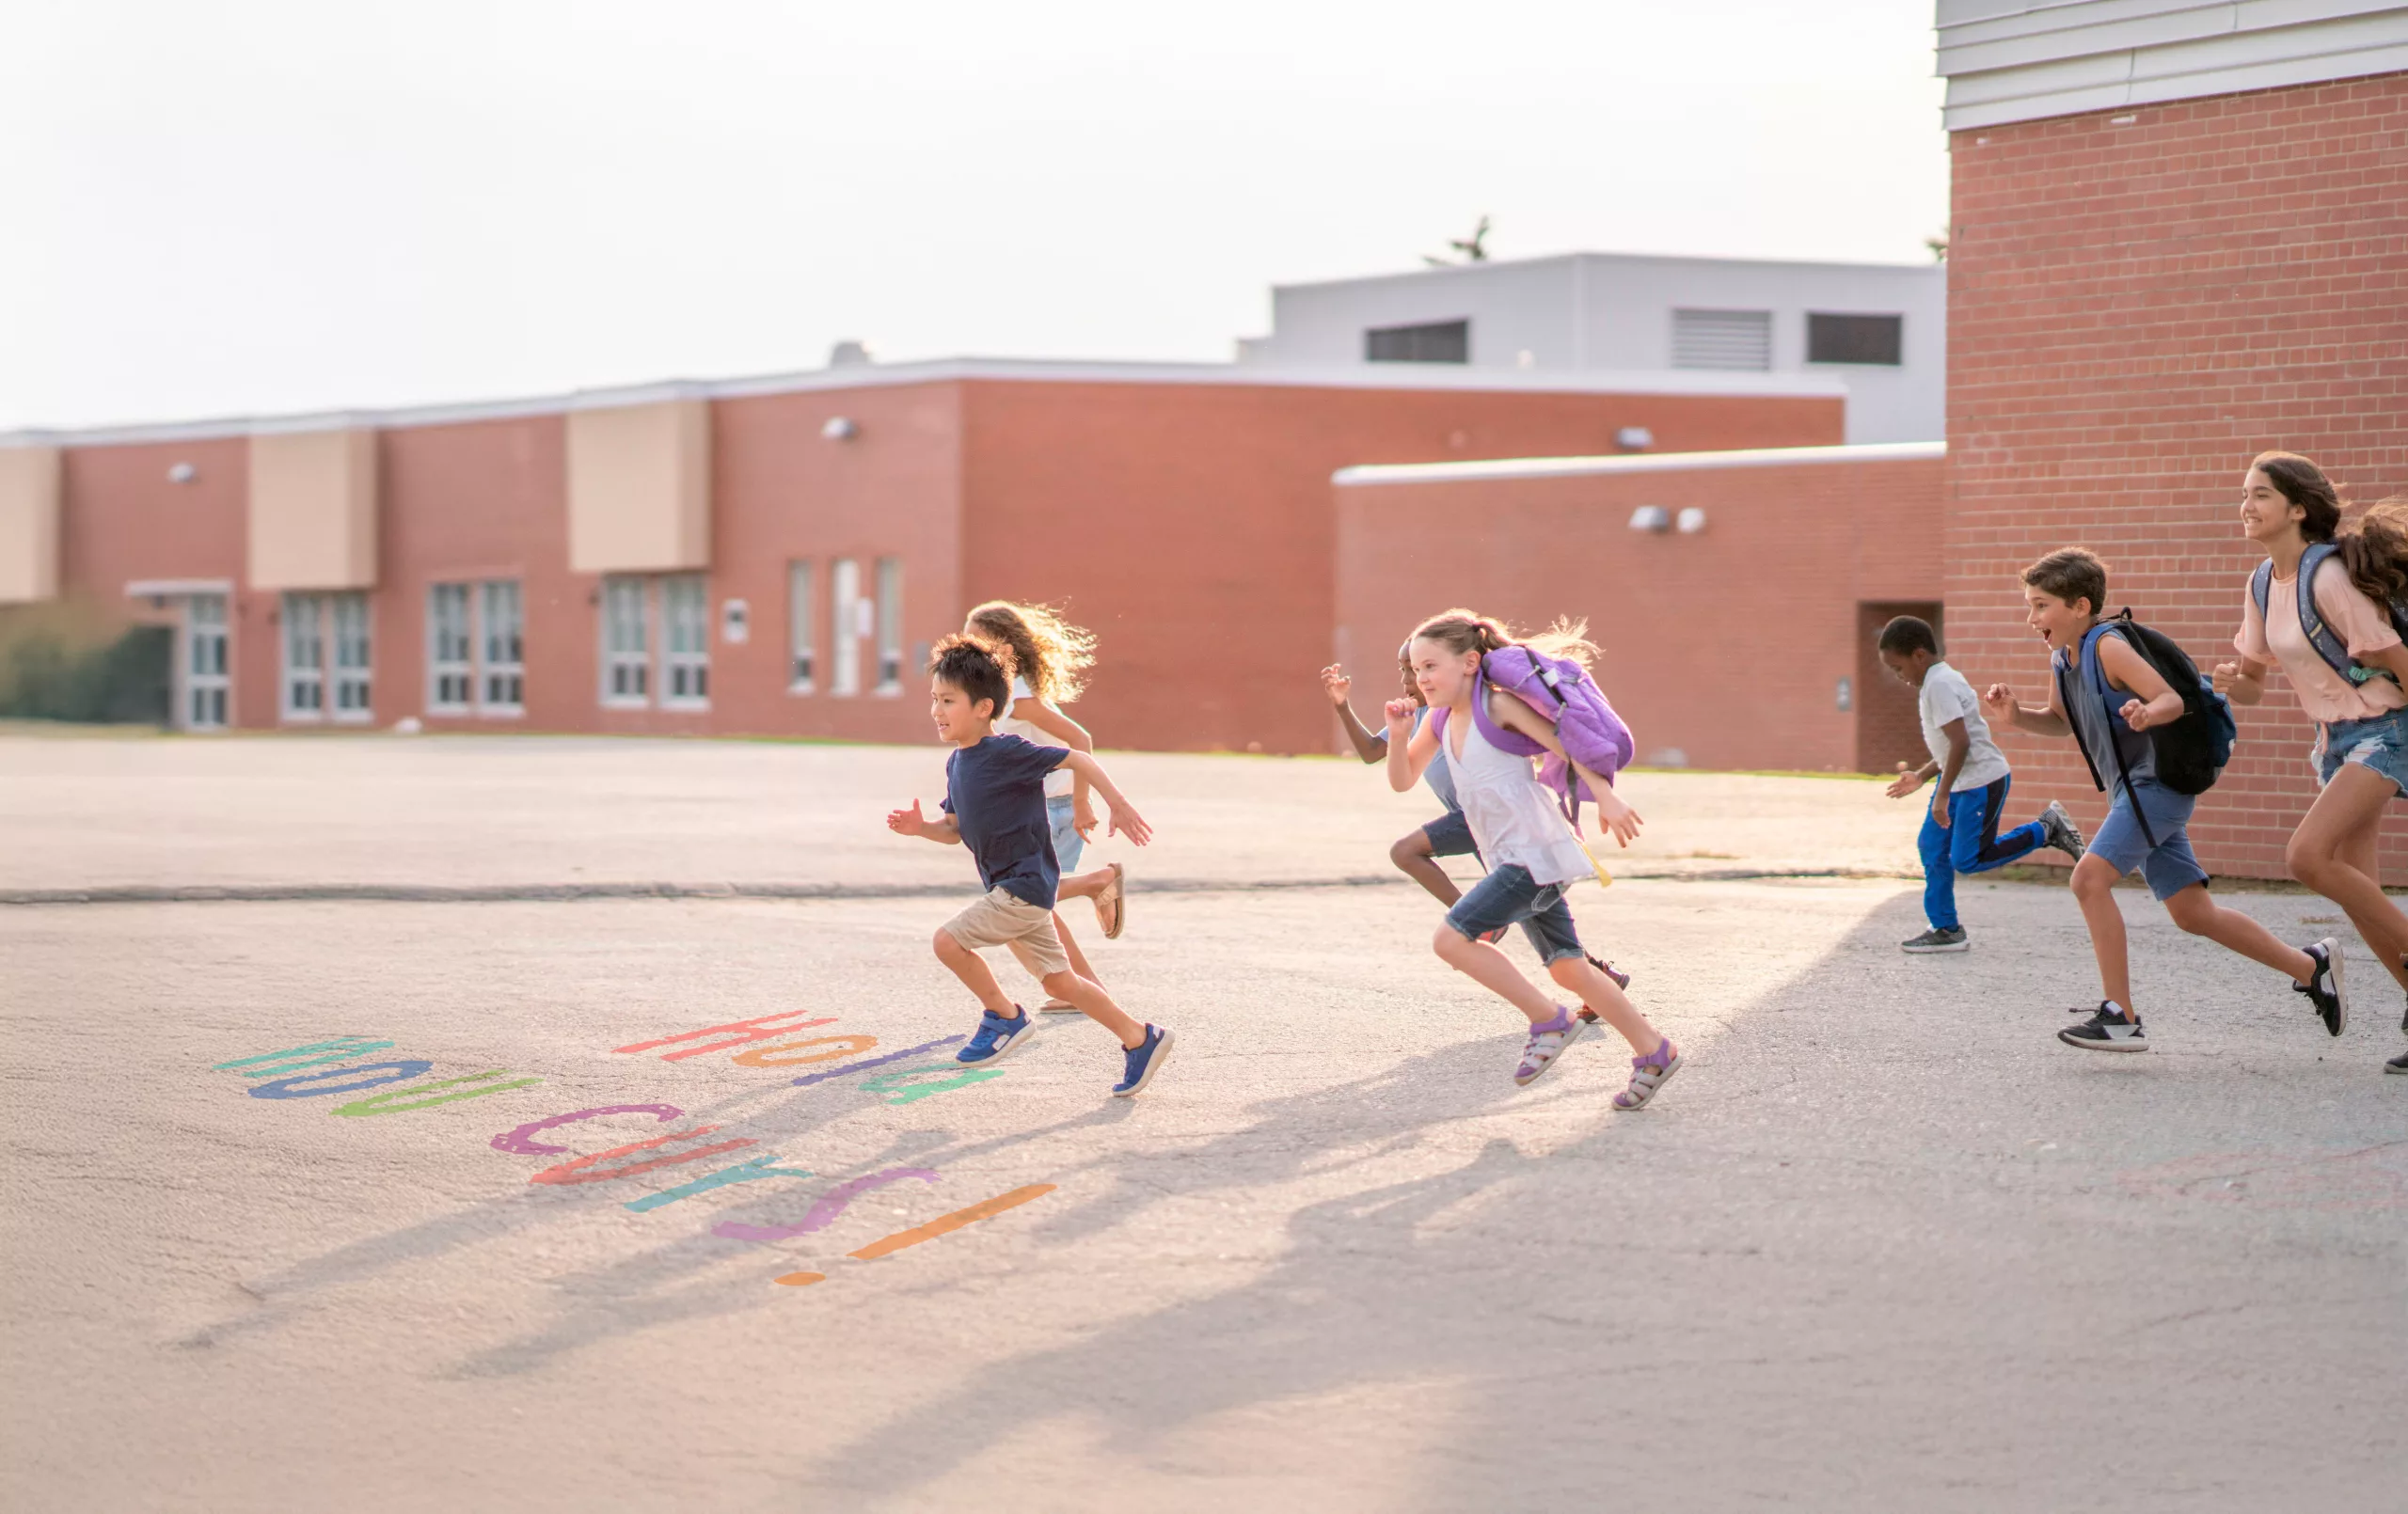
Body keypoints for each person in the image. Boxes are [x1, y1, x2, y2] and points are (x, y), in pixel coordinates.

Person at [1980, 549, 2344, 1052]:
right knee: (2194, 914)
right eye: (2030, 606)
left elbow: (2171, 698)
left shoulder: (2107, 646)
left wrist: (2148, 713)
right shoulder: (2062, 658)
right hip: (2132, 797)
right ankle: (2311, 966)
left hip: (2156, 791)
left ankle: (2120, 1017)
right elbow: (2062, 722)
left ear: (2080, 605)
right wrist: (2017, 715)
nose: (2032, 618)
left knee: (2088, 880)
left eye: (2041, 606)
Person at [1385, 609, 1679, 1107]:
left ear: (1471, 662)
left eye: (1431, 666)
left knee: (1452, 939)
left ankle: (1550, 1019)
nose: (1421, 678)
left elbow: (1568, 746)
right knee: (1569, 967)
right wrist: (1397, 733)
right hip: (1514, 858)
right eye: (1416, 670)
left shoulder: (1497, 708)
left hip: (1536, 853)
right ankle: (1655, 1051)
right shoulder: (1436, 719)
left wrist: (1606, 797)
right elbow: (1401, 779)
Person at [887, 634, 1175, 1097]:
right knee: (1062, 982)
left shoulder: (1008, 752)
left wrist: (1115, 803)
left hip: (1022, 886)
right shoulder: (959, 763)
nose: (937, 711)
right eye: (934, 700)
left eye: (948, 700)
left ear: (983, 707)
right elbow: (954, 829)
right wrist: (922, 828)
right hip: (1014, 888)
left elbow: (1077, 755)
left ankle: (1005, 1016)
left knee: (947, 942)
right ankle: (1140, 1038)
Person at [2210, 454, 2408, 1076]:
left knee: (2306, 856)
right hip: (2334, 742)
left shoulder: (2328, 579)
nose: (2247, 505)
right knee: (2360, 890)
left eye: (2261, 495)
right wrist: (2226, 683)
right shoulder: (2263, 582)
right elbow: (2252, 686)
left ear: (2298, 509)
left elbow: (2398, 659)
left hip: (2386, 729)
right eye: (2244, 494)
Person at [1323, 656, 1630, 992]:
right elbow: (1371, 753)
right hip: (1484, 828)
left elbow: (1560, 745)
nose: (1408, 679)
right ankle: (1600, 979)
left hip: (1490, 818)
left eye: (1417, 669)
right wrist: (1342, 706)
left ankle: (1473, 923)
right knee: (1535, 913)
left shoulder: (1476, 709)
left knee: (1407, 851)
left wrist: (1602, 794)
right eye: (1406, 670)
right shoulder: (1423, 717)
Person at [1877, 614, 2086, 953]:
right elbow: (1951, 745)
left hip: (1979, 782)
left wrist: (1940, 796)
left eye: (1898, 668)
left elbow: (1962, 744)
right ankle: (1946, 928)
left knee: (1966, 859)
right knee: (1932, 847)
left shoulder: (1939, 684)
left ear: (1918, 655)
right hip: (1959, 781)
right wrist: (1922, 776)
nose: (1898, 677)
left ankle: (2045, 829)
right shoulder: (1934, 681)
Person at [967, 601, 1129, 1015]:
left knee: (1021, 897)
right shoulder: (1009, 690)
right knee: (1029, 902)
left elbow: (1081, 739)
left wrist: (1080, 800)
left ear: (1002, 645)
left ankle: (1096, 887)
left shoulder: (1019, 697)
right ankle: (1080, 986)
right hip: (1039, 803)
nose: (969, 644)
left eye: (976, 636)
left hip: (1051, 806)